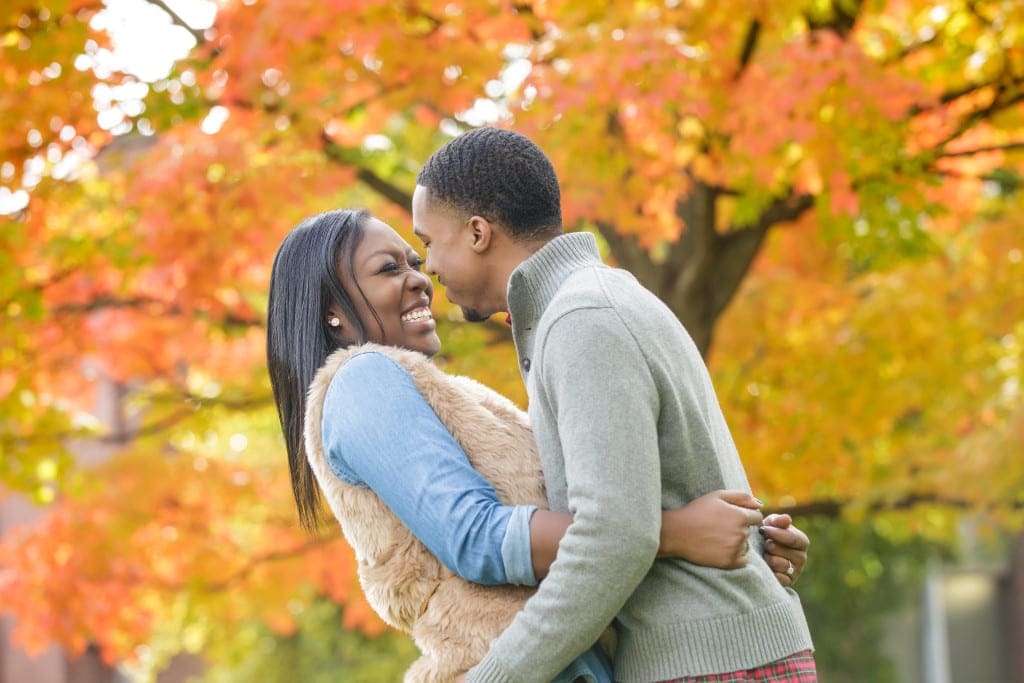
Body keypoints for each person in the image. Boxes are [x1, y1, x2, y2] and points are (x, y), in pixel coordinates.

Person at [266, 209, 810, 682]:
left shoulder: (450, 397)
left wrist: (747, 542)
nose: (420, 277)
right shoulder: (363, 379)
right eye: (390, 269)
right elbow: (475, 536)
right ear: (331, 310)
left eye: (415, 259)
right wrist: (676, 532)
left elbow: (586, 507)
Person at [411, 127, 816, 682]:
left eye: (429, 241)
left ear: (478, 232)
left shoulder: (582, 320)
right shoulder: (597, 302)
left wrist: (492, 677)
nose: (427, 265)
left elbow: (613, 536)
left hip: (709, 665)